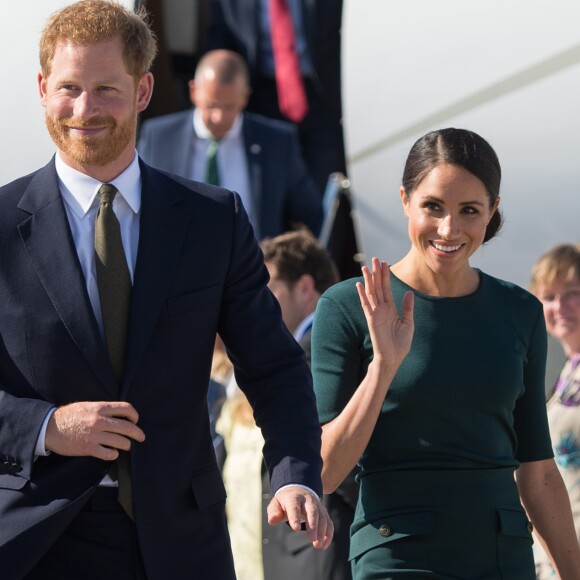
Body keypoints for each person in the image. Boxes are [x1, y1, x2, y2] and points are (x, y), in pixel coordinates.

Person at [0, 2, 332, 579]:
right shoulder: (2, 227)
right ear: (42, 88)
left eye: (106, 88)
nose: (85, 109)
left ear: (145, 89)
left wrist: (295, 472)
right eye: (69, 87)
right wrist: (47, 428)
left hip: (180, 546)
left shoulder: (212, 220)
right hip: (37, 544)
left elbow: (274, 366)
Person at [311, 128, 580, 578]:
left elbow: (538, 472)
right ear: (404, 200)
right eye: (432, 207)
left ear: (492, 211)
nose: (449, 229)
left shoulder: (520, 312)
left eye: (469, 211)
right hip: (396, 560)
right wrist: (383, 367)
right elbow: (324, 472)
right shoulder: (347, 307)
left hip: (502, 557)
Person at [218, 230, 354, 580]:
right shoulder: (257, 368)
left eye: (266, 286)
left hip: (315, 558)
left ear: (305, 288)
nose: (252, 300)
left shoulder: (316, 358)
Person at [137, 48, 322, 240]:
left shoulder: (277, 143)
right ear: (193, 91)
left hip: (251, 264)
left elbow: (311, 215)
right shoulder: (159, 138)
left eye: (228, 107)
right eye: (212, 105)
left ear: (245, 97)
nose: (219, 117)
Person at [209, 0, 346, 197]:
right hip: (261, 97)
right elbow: (221, 40)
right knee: (272, 192)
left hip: (321, 96)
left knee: (324, 191)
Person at [529, 243, 580, 579]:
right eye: (549, 296)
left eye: (573, 292)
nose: (559, 306)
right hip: (558, 553)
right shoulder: (566, 372)